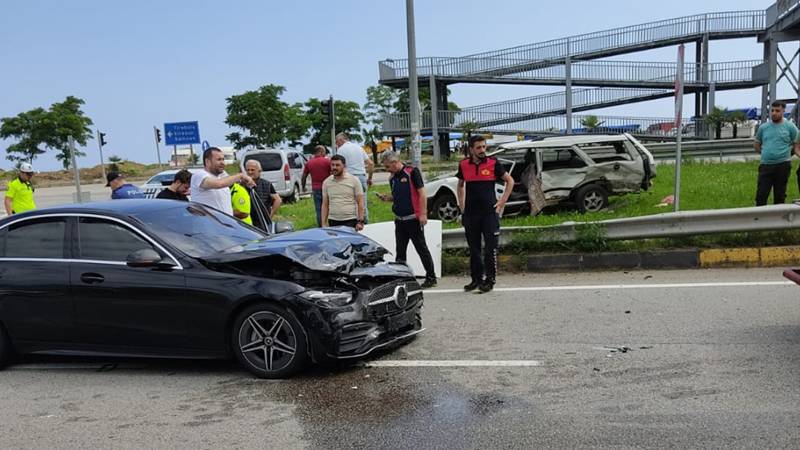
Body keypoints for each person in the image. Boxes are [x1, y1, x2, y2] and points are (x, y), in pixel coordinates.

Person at [457, 135, 514, 294]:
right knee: (474, 249)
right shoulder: (463, 165)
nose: (482, 150)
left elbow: (510, 181)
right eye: (478, 147)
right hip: (471, 214)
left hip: (489, 213)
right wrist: (462, 206)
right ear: (471, 149)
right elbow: (460, 185)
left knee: (490, 249)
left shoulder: (493, 163)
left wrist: (502, 202)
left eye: (484, 146)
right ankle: (476, 279)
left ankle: (490, 280)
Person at [376, 151, 437, 288]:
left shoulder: (412, 172)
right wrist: (388, 198)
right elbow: (399, 196)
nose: (387, 170)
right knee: (400, 251)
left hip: (413, 219)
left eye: (387, 167)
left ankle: (431, 277)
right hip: (400, 219)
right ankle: (401, 279)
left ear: (394, 162)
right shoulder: (392, 178)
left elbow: (422, 194)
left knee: (421, 248)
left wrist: (423, 214)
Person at [754, 100, 800, 206]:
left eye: (777, 110)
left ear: (783, 111)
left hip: (783, 165)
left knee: (780, 195)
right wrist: (766, 153)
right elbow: (757, 145)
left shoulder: (790, 127)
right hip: (766, 165)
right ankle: (759, 218)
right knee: (761, 194)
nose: (774, 113)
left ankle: (778, 219)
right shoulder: (763, 127)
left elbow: (796, 144)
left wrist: (787, 154)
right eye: (772, 110)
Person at [190, 147, 254, 215]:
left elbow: (229, 181)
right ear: (207, 161)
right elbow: (219, 184)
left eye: (223, 159)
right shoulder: (199, 175)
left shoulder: (222, 176)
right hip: (208, 224)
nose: (223, 163)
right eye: (219, 160)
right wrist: (240, 176)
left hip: (225, 224)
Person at [335, 133, 373, 222]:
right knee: (363, 202)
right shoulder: (359, 148)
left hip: (349, 178)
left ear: (341, 140)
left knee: (350, 203)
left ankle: (353, 223)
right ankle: (365, 222)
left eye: (337, 142)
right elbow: (370, 163)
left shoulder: (341, 150)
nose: (337, 144)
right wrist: (370, 178)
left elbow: (339, 166)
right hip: (361, 177)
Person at [321, 155, 365, 230]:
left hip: (350, 220)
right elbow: (325, 204)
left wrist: (360, 221)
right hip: (333, 221)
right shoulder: (326, 182)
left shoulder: (354, 180)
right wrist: (323, 224)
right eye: (332, 165)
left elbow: (360, 202)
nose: (334, 167)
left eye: (337, 165)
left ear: (344, 166)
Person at [302, 145, 332, 226]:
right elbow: (333, 173)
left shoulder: (309, 162)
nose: (325, 154)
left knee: (319, 209)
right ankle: (330, 224)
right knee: (329, 207)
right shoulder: (327, 162)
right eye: (325, 152)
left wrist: (303, 186)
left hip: (316, 189)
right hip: (327, 188)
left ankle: (321, 225)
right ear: (321, 152)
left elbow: (304, 176)